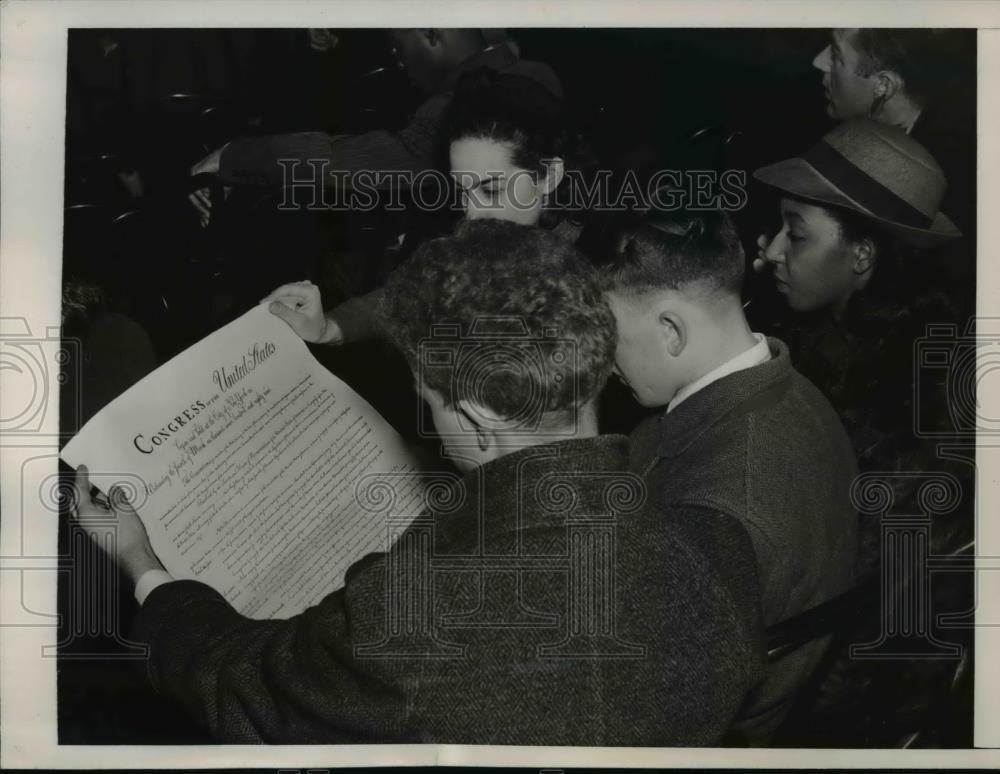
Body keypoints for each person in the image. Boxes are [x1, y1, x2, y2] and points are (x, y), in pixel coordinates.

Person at [70, 220, 765, 745]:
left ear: (480, 414)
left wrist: (141, 563)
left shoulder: (407, 624)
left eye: (428, 399)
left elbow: (236, 684)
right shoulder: (717, 547)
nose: (428, 416)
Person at [598, 203, 858, 744]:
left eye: (609, 333)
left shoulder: (718, 514)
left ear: (671, 330)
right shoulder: (796, 389)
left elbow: (653, 704)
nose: (606, 360)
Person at [752, 119, 966, 561]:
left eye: (795, 235)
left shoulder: (912, 407)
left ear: (862, 255)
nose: (772, 252)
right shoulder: (828, 337)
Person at [265, 66, 587, 347]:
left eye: (491, 190)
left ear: (548, 174)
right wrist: (329, 328)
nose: (472, 215)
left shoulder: (596, 271)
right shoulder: (492, 239)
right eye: (463, 191)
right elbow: (406, 298)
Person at [188, 29, 562, 224]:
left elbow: (351, 161)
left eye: (397, 48)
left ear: (432, 34)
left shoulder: (454, 106)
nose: (397, 62)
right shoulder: (532, 69)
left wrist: (235, 154)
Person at [810, 28, 974, 233]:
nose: (818, 61)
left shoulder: (951, 183)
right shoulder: (845, 139)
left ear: (882, 86)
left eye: (836, 54)